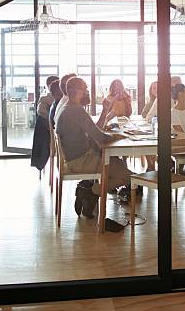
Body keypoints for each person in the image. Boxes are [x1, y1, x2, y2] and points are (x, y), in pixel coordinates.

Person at [55, 77, 132, 218]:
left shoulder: (68, 107)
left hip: (76, 158)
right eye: (85, 90)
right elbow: (100, 137)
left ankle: (90, 193)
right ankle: (90, 191)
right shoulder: (76, 110)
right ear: (79, 92)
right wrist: (119, 136)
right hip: (81, 161)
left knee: (117, 163)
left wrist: (105, 111)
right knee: (128, 176)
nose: (88, 93)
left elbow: (94, 131)